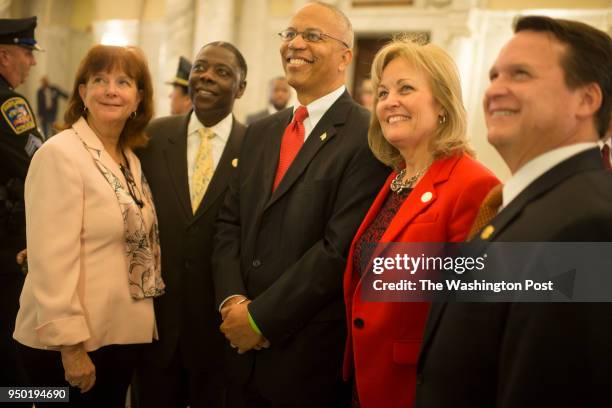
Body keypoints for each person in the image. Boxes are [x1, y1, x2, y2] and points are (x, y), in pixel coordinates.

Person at [416, 16, 612, 408]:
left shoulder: (588, 224)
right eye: (493, 76)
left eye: (520, 75)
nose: (494, 91)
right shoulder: (525, 203)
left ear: (586, 100)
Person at [212, 2, 388, 406]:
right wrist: (233, 302)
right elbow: (229, 224)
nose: (295, 44)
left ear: (346, 55)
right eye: (290, 34)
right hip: (236, 350)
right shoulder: (260, 132)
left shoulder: (367, 134)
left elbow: (338, 248)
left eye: (312, 36)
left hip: (305, 356)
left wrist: (261, 318)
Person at [343, 38, 499, 408]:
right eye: (382, 92)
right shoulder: (394, 181)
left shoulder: (474, 185)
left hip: (418, 388)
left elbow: (473, 316)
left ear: (442, 104)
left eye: (405, 88)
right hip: (364, 384)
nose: (389, 101)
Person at [13, 44, 164, 407]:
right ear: (82, 92)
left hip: (117, 338)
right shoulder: (60, 154)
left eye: (123, 82)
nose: (111, 90)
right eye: (99, 80)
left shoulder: (129, 158)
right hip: (68, 347)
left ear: (138, 98)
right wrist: (71, 349)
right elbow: (50, 262)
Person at [134, 41, 247, 408]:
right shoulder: (152, 137)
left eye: (222, 72)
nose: (207, 77)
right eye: (201, 67)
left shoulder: (258, 146)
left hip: (220, 334)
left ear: (241, 88)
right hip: (154, 326)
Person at [0, 16, 44, 391]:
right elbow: (40, 161)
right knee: (11, 343)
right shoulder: (8, 103)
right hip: (4, 246)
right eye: (27, 53)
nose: (32, 62)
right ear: (3, 56)